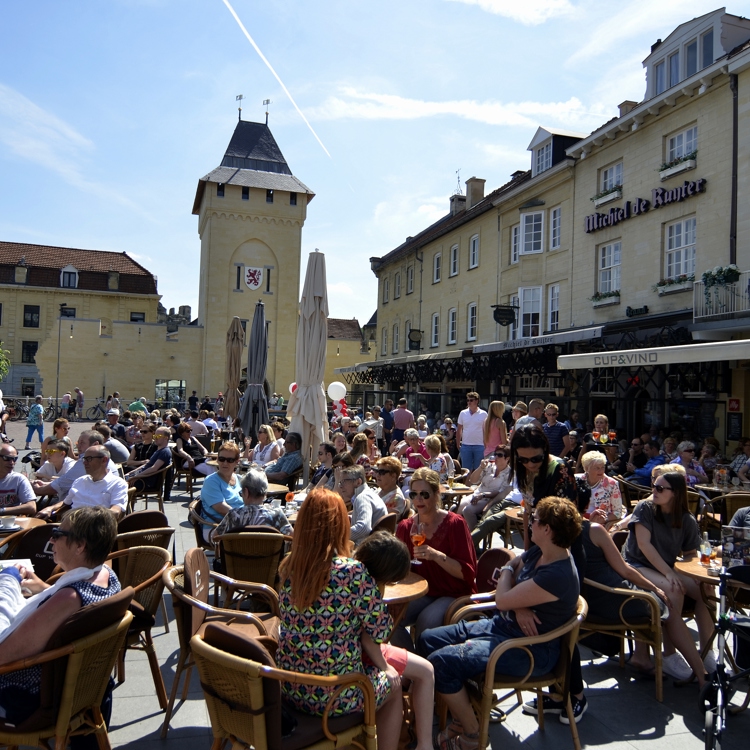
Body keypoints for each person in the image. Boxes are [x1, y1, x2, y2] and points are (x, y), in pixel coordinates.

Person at [419, 496, 582, 749]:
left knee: (442, 661)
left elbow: (504, 597)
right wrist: (517, 600)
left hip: (529, 649)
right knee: (428, 638)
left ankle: (473, 735)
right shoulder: (543, 551)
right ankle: (463, 710)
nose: (529, 523)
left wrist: (510, 590)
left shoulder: (557, 573)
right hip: (503, 628)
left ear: (547, 529)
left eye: (535, 520)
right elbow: (514, 563)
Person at [276, 489, 403, 750]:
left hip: (291, 687)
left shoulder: (288, 566)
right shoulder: (351, 572)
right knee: (394, 683)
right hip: (336, 694)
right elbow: (380, 632)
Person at [0, 506, 121, 726]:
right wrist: (44, 589)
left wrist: (8, 583)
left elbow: (4, 654)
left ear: (80, 546)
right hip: (84, 688)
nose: (51, 540)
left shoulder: (69, 597)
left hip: (30, 698)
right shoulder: (106, 575)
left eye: (58, 534)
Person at [622, 470, 712, 684]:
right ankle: (669, 653)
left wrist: (695, 573)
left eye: (660, 488)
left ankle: (707, 650)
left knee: (706, 590)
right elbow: (644, 545)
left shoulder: (686, 519)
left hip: (665, 566)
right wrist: (670, 573)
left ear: (676, 493)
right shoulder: (645, 508)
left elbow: (691, 553)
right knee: (674, 589)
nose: (654, 490)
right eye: (654, 485)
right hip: (636, 564)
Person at [354, 532, 435, 750]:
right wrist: (386, 666)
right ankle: (424, 745)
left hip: (350, 652)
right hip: (365, 654)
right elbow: (370, 639)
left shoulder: (351, 574)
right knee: (426, 672)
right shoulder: (368, 588)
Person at [394, 468, 477, 648]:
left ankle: (427, 671)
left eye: (424, 494)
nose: (418, 499)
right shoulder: (405, 526)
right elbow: (400, 566)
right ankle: (412, 666)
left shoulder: (455, 524)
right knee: (388, 618)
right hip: (422, 591)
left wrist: (436, 556)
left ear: (436, 493)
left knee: (426, 621)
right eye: (413, 494)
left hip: (452, 591)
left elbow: (467, 573)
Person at [509, 425, 577, 551]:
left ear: (545, 450)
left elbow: (567, 520)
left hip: (558, 546)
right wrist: (527, 549)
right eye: (523, 459)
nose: (530, 464)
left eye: (536, 459)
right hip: (536, 541)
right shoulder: (523, 469)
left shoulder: (560, 470)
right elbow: (527, 510)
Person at [33, 431, 119, 512]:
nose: (78, 446)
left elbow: (60, 485)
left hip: (83, 517)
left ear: (95, 444)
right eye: (78, 443)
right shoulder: (82, 479)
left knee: (37, 507)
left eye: (82, 443)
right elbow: (65, 494)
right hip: (75, 513)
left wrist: (34, 488)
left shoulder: (89, 464)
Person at [213, 469, 292, 538]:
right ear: (265, 494)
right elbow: (292, 537)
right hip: (271, 555)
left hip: (236, 555)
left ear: (246, 492)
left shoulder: (233, 515)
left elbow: (215, 537)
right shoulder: (277, 514)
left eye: (241, 492)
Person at [60, 445, 129, 517]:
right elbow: (65, 503)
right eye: (84, 459)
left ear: (104, 460)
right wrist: (50, 508)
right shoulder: (80, 481)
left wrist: (86, 516)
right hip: (71, 523)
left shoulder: (118, 484)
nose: (84, 462)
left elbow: (115, 511)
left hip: (95, 525)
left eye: (89, 459)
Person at [457, 446, 512, 532]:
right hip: (477, 494)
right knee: (456, 507)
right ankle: (456, 535)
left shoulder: (510, 473)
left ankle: (473, 538)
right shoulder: (489, 466)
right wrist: (481, 468)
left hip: (490, 499)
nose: (496, 457)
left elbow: (500, 492)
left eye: (500, 455)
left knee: (468, 510)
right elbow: (473, 480)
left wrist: (482, 495)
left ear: (507, 458)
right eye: (495, 454)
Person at [199, 442, 245, 539]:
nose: (225, 463)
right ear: (217, 460)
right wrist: (248, 517)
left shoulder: (239, 479)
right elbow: (222, 509)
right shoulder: (211, 481)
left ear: (237, 461)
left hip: (238, 525)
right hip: (216, 528)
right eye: (222, 459)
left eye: (230, 460)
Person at [337, 465, 388, 544]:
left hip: (366, 550)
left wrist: (337, 536)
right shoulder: (368, 494)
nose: (340, 486)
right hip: (375, 546)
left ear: (358, 482)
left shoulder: (362, 498)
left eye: (344, 481)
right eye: (340, 482)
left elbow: (363, 528)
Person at [575, 451, 623, 526]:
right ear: (587, 468)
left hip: (599, 524)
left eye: (602, 467)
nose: (601, 471)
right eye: (597, 468)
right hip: (577, 520)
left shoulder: (612, 484)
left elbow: (617, 512)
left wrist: (604, 519)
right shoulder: (576, 481)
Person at [124, 427, 173, 493]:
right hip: (141, 477)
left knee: (119, 486)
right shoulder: (159, 450)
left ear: (166, 438)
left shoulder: (165, 452)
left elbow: (154, 468)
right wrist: (131, 473)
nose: (155, 438)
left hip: (146, 482)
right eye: (155, 436)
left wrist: (136, 477)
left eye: (158, 436)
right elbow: (147, 464)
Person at [0, 445, 37, 517]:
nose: (11, 462)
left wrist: (2, 511)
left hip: (10, 523)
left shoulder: (18, 479)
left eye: (14, 459)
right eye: (7, 458)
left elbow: (31, 507)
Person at [456, 392, 487, 473]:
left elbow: (486, 430)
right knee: (466, 471)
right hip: (466, 445)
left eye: (471, 400)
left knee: (479, 470)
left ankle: (476, 485)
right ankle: (466, 485)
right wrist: (458, 444)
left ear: (477, 401)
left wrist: (486, 444)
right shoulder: (463, 413)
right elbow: (459, 429)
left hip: (479, 445)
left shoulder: (484, 414)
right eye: (468, 400)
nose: (469, 402)